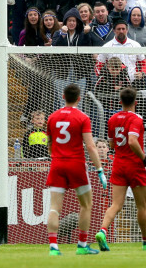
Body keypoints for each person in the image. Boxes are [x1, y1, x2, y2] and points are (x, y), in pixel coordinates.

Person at [95, 88, 146, 252]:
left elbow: (111, 144)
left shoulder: (112, 119)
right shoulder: (136, 119)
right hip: (134, 165)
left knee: (116, 204)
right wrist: (144, 159)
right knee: (142, 206)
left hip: (118, 163)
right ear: (136, 102)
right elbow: (132, 141)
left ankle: (102, 231)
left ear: (120, 102)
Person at [45, 84, 106, 256]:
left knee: (55, 208)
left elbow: (49, 144)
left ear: (63, 97)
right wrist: (100, 170)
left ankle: (53, 247)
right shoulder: (83, 117)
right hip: (76, 164)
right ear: (79, 98)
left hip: (57, 164)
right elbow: (90, 146)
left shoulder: (52, 117)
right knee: (86, 205)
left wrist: (55, 155)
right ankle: (82, 245)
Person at [95, 18, 146, 83]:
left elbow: (144, 64)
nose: (121, 31)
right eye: (118, 29)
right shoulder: (106, 47)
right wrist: (104, 79)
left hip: (133, 84)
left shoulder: (135, 45)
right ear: (114, 30)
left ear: (127, 30)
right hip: (113, 85)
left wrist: (142, 73)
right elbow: (98, 66)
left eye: (123, 29)